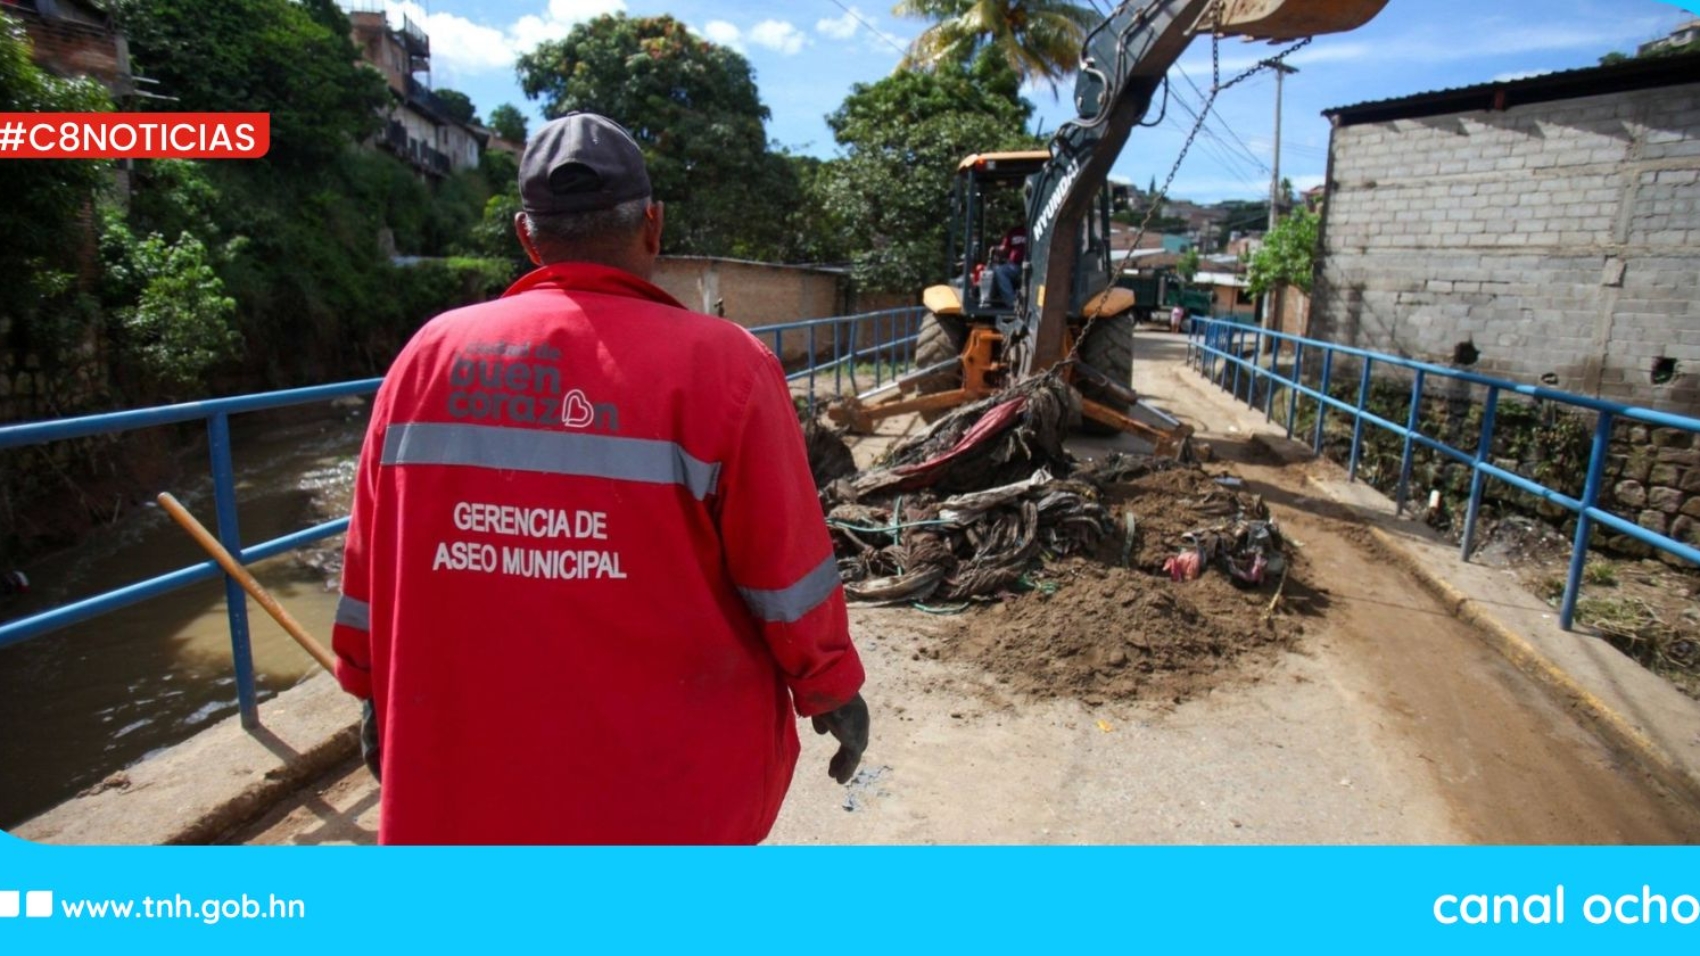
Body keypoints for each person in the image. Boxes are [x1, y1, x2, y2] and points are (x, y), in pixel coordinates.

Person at [331, 112, 868, 845]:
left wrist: (367, 688)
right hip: (669, 801)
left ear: (527, 235)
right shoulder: (727, 368)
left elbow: (369, 564)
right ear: (653, 225)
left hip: (467, 788)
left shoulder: (425, 358)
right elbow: (786, 571)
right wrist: (831, 688)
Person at [992, 223, 1027, 305]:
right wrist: (995, 249)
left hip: (1032, 266)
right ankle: (1012, 303)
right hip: (1015, 266)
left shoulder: (1037, 228)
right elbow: (1004, 249)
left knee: (1000, 270)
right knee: (1000, 270)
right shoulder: (1014, 231)